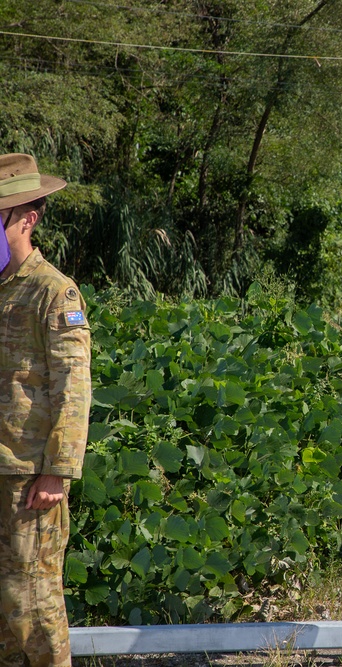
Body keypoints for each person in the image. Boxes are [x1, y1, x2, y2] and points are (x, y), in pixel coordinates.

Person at [0, 153, 91, 667]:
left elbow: (73, 388)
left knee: (32, 606)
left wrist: (57, 471)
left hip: (28, 476)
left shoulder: (53, 291)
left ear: (26, 220)